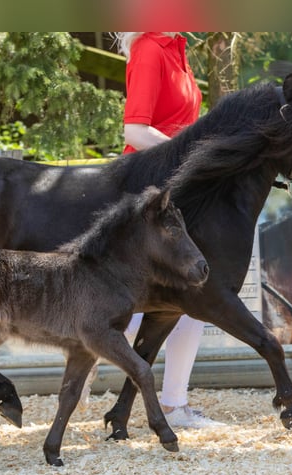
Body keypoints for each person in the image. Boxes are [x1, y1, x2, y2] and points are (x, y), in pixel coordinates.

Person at [117, 32, 223, 429]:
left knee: (189, 303)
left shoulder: (177, 49)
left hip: (173, 187)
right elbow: (135, 132)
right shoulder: (148, 49)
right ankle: (84, 344)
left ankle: (175, 405)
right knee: (134, 310)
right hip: (145, 190)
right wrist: (193, 160)